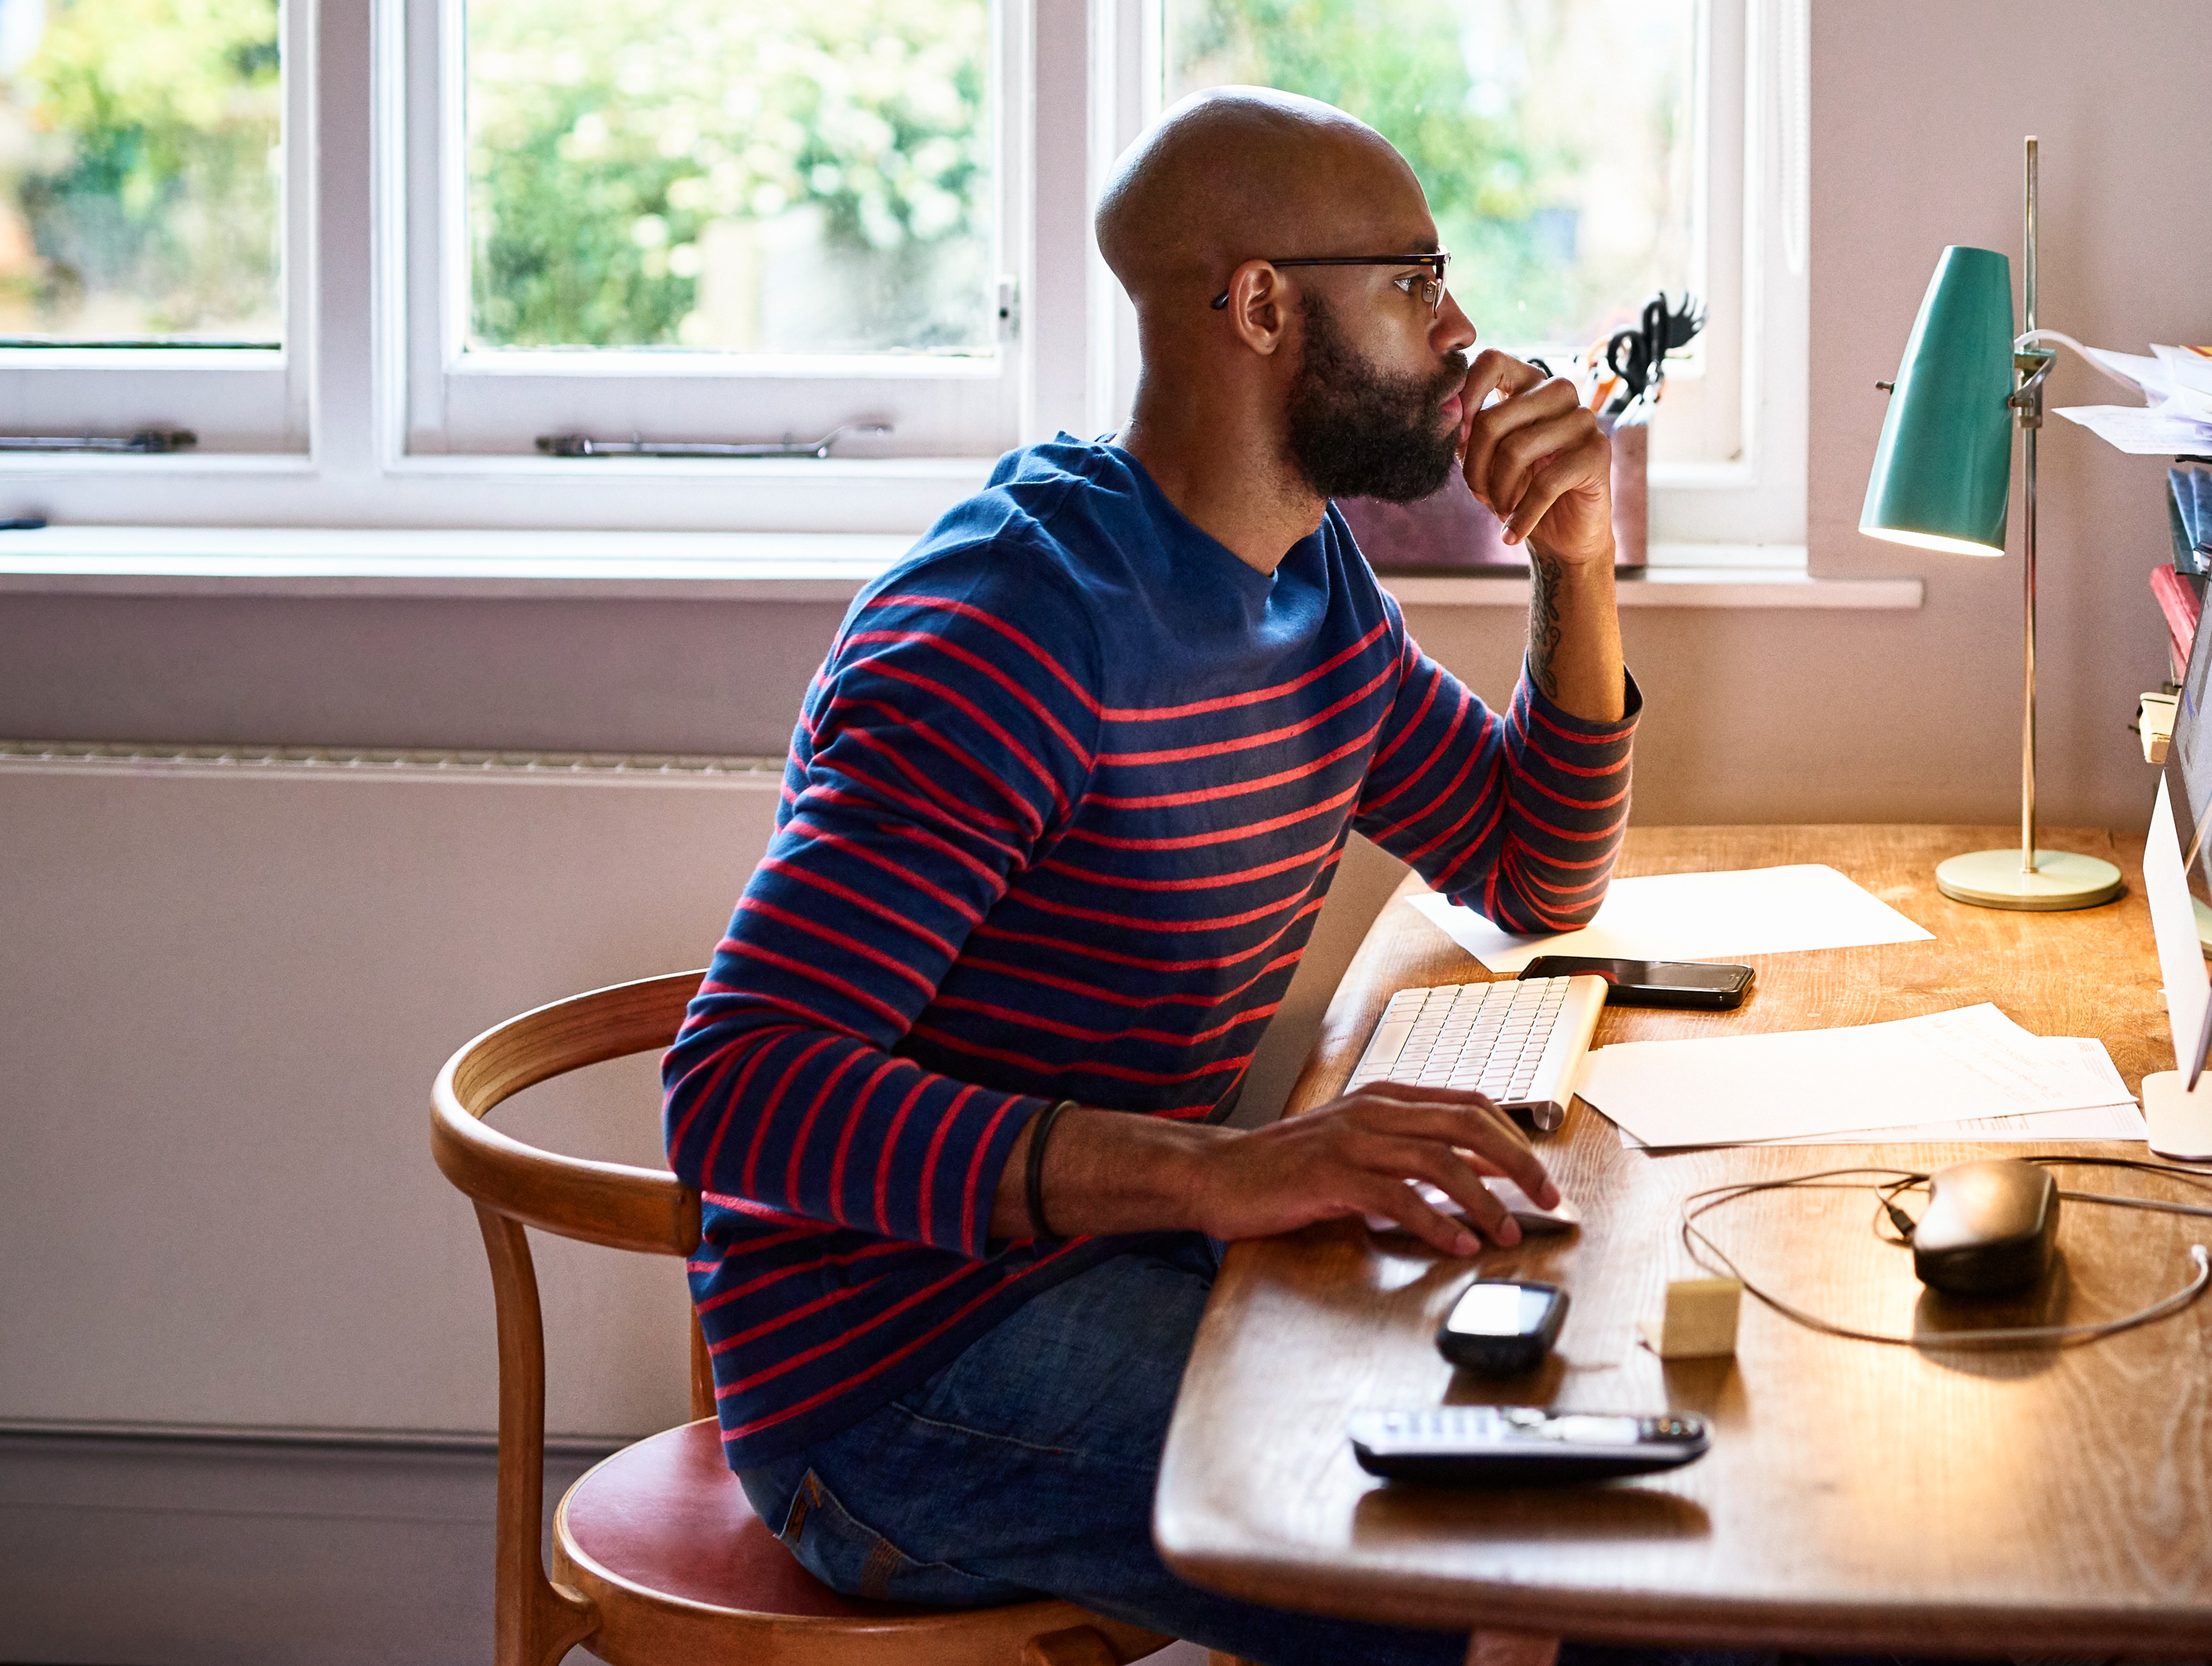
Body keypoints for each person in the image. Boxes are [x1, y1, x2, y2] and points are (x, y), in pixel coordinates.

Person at [662, 87, 1668, 1663]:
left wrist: (1576, 554)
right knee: (1576, 1583)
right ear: (1263, 306)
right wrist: (1217, 1170)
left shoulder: (1305, 575)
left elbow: (1531, 870)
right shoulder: (1016, 627)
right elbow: (733, 1091)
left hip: (1118, 1268)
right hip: (900, 1382)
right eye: (1412, 280)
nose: (1461, 328)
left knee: (1611, 1442)